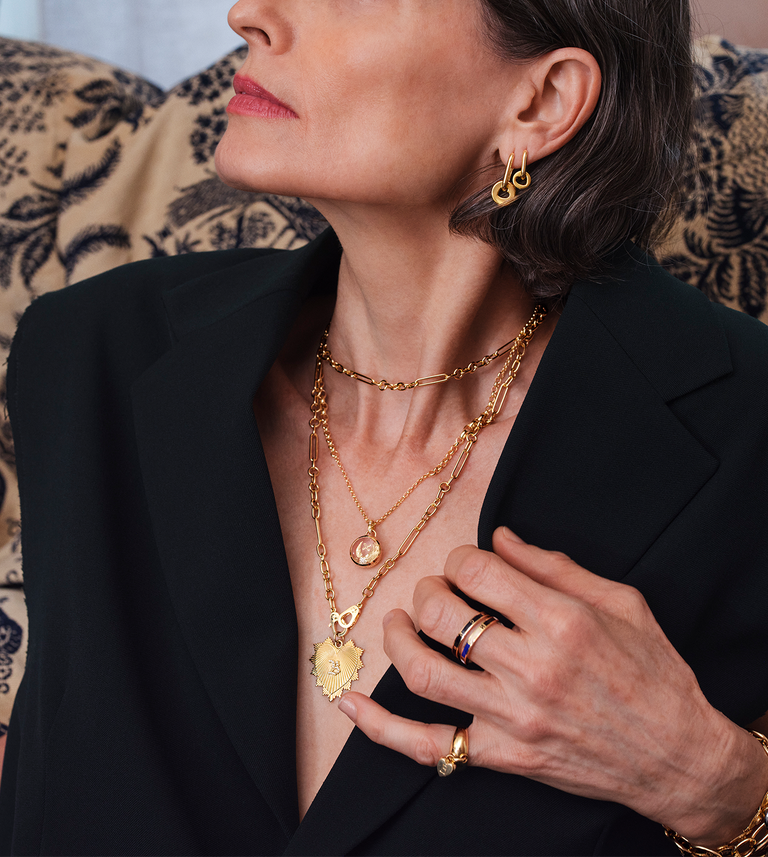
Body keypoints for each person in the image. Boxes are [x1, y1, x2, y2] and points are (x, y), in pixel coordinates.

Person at [1, 0, 768, 854]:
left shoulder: (747, 442)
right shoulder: (89, 360)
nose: (249, 15)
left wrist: (715, 781)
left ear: (542, 101)